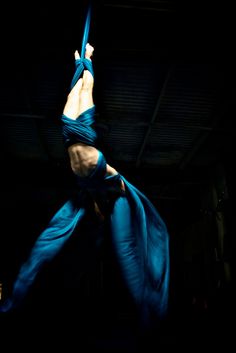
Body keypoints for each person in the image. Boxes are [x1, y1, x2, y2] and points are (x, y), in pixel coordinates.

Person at [0, 43, 170, 329]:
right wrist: (119, 184)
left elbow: (101, 196)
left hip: (70, 134)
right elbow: (111, 177)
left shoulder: (91, 196)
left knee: (73, 93)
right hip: (90, 150)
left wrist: (79, 63)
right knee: (84, 88)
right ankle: (86, 60)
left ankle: (81, 62)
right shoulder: (101, 188)